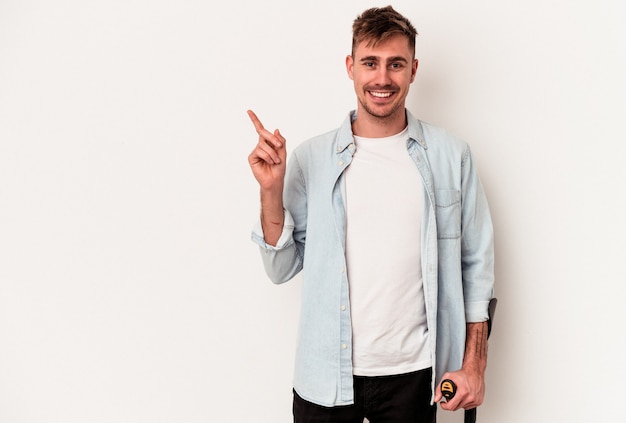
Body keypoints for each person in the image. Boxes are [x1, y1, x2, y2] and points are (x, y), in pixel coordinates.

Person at [247, 5, 494, 422]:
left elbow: (478, 270)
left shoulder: (453, 157)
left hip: (415, 377)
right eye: (370, 63)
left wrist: (474, 366)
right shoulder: (312, 159)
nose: (382, 78)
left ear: (413, 69)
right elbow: (281, 268)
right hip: (325, 376)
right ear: (351, 67)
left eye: (395, 64)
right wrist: (271, 191)